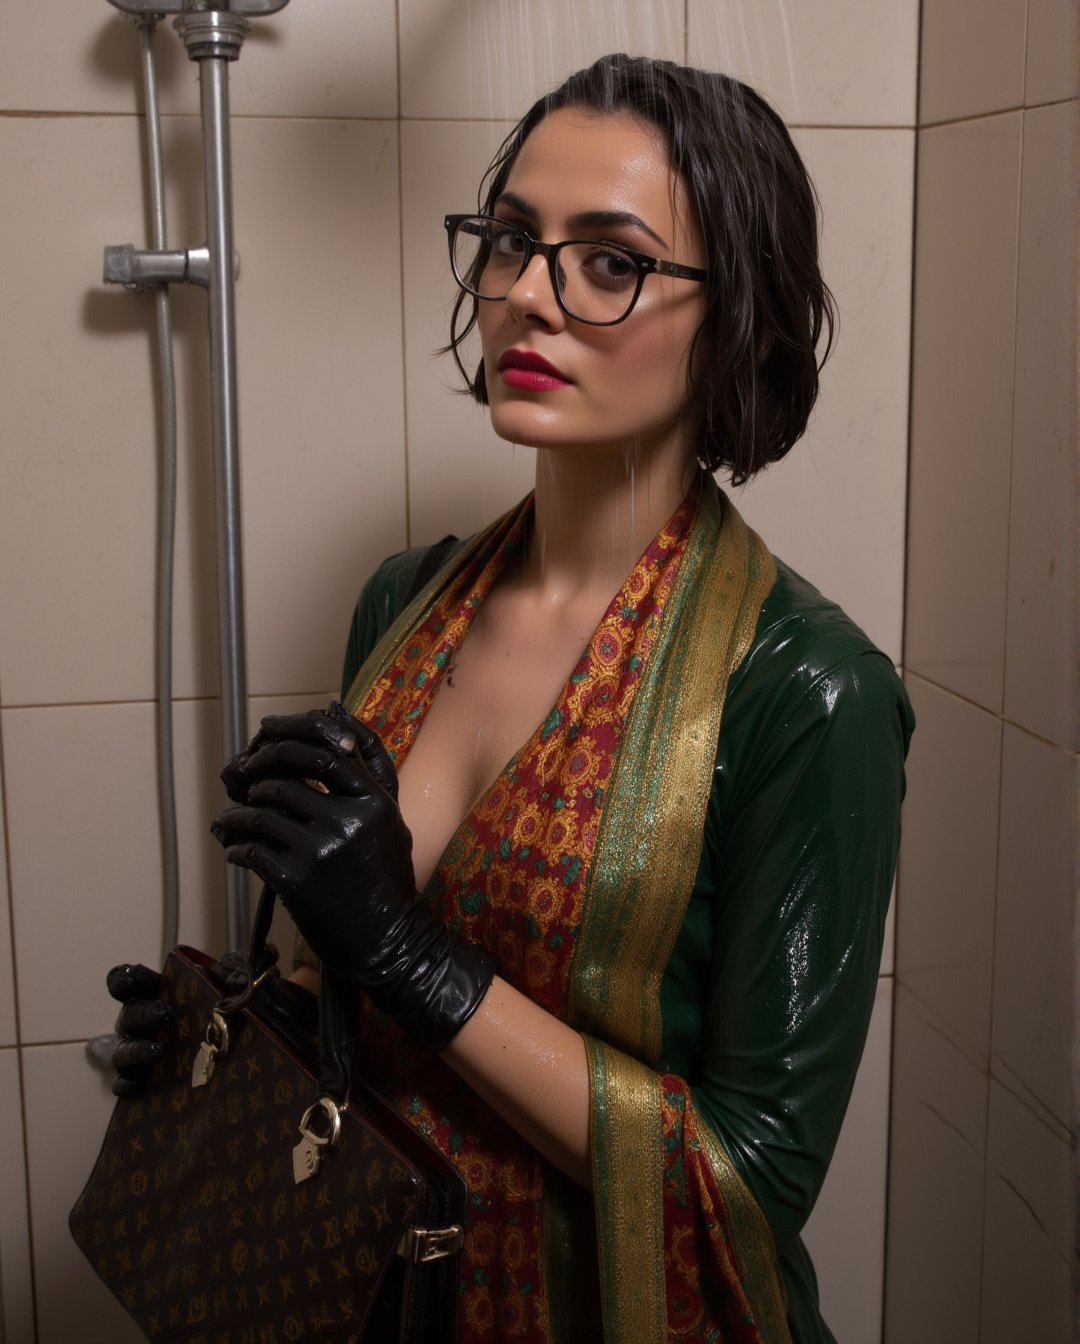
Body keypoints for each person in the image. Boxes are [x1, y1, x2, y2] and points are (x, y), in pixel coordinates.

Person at [111, 53, 914, 1344]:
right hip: (392, 1300)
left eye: (610, 262)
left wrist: (418, 958)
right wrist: (227, 1035)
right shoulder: (403, 605)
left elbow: (753, 1190)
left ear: (735, 313)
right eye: (509, 241)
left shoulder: (807, 693)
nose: (526, 298)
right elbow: (349, 1002)